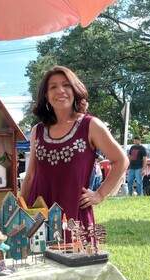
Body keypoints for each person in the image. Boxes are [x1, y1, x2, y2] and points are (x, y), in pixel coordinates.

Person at [20, 66, 128, 238]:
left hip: (74, 214)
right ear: (46, 96)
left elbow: (121, 160)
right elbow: (31, 175)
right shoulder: (37, 131)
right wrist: (20, 209)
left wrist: (100, 194)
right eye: (53, 87)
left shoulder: (90, 125)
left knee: (77, 262)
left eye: (66, 85)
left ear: (75, 90)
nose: (60, 90)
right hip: (38, 214)